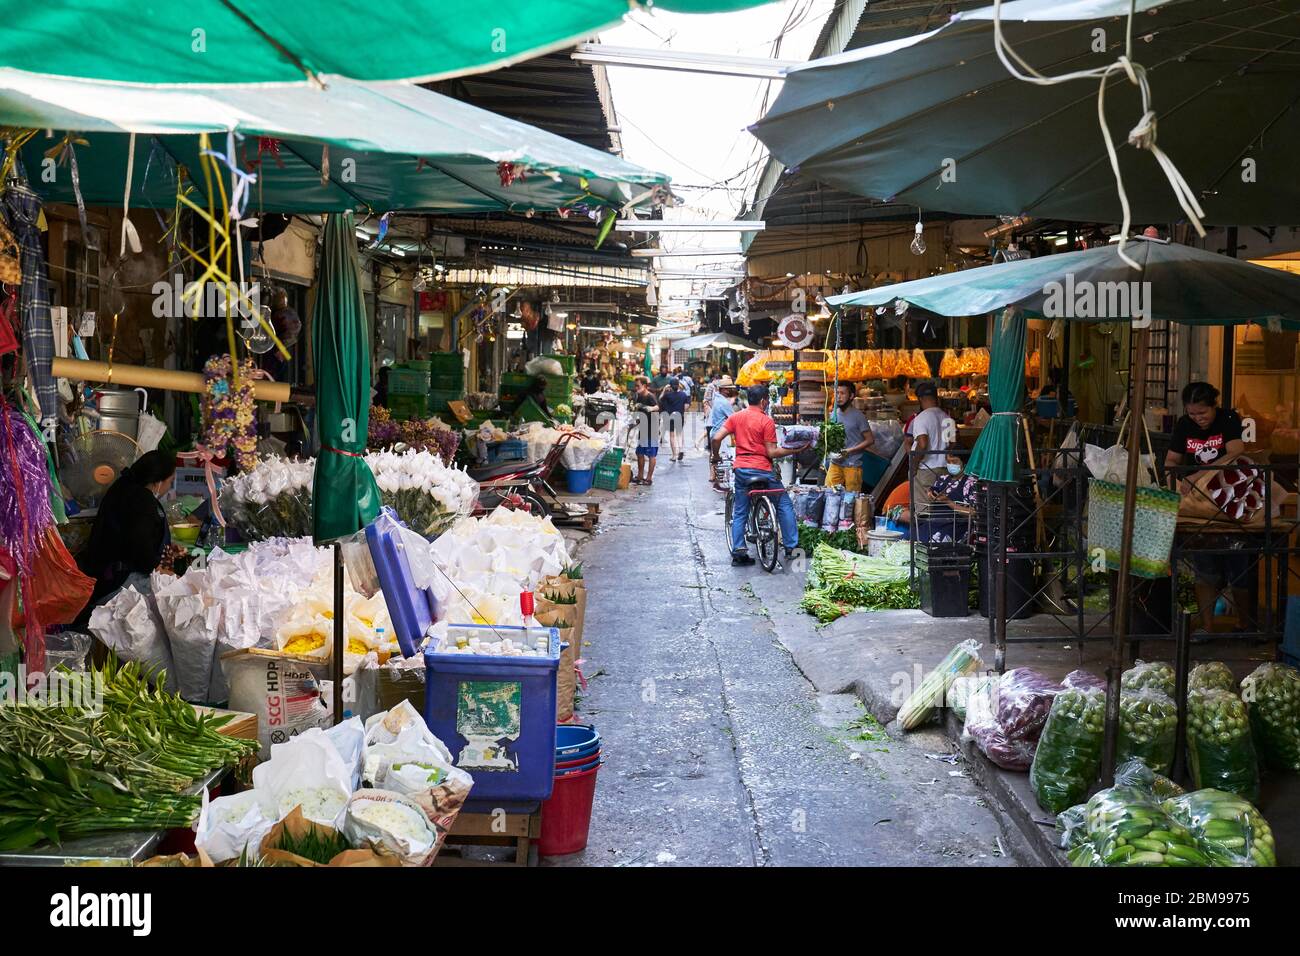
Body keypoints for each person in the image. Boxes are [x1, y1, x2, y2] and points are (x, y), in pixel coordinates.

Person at [1164, 381, 1250, 633]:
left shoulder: (1228, 419)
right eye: (1192, 414)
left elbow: (1236, 452)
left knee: (1240, 568)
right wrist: (1174, 476)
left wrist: (1198, 474)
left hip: (1230, 501)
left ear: (1214, 406)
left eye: (1203, 413)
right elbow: (1172, 458)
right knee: (1205, 567)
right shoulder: (1183, 426)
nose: (1198, 419)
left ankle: (1245, 624)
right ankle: (1208, 625)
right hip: (1198, 506)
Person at [73, 450, 176, 625]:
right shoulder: (141, 501)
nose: (169, 487)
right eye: (170, 482)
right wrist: (161, 569)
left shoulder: (122, 486)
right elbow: (141, 551)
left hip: (102, 578)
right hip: (120, 583)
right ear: (158, 481)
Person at [711, 384, 806, 566]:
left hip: (742, 471)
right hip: (763, 470)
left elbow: (715, 438)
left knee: (740, 510)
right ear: (764, 401)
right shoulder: (766, 421)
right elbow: (771, 452)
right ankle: (792, 548)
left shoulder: (736, 417)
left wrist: (715, 457)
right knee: (784, 503)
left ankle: (739, 552)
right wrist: (794, 449)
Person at [903, 381, 953, 496]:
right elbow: (953, 442)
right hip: (945, 469)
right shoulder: (947, 417)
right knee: (941, 507)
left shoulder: (921, 418)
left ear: (920, 399)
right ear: (936, 398)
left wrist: (914, 464)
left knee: (924, 510)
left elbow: (923, 444)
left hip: (926, 470)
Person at [824, 383, 875, 493]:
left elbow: (870, 440)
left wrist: (849, 451)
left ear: (851, 396)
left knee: (851, 500)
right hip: (835, 463)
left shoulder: (858, 416)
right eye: (837, 393)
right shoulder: (833, 414)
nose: (838, 397)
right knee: (829, 495)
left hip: (852, 465)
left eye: (842, 393)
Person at [631, 376, 661, 486]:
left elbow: (657, 407)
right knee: (639, 453)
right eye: (635, 386)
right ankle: (640, 476)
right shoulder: (639, 396)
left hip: (652, 428)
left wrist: (651, 408)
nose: (636, 388)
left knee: (651, 454)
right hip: (643, 427)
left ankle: (648, 478)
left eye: (638, 386)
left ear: (644, 386)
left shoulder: (650, 396)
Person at [658, 376, 691, 462]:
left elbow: (660, 399)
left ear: (670, 386)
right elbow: (686, 407)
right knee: (679, 434)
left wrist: (664, 390)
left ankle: (674, 455)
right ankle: (681, 450)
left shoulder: (668, 395)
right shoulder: (684, 395)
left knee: (672, 436)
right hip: (680, 416)